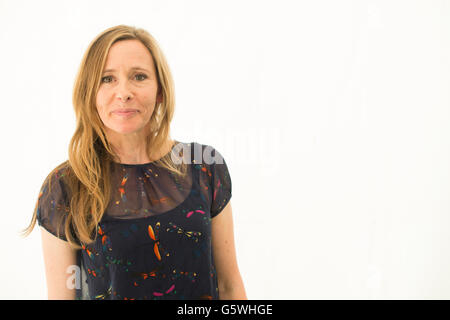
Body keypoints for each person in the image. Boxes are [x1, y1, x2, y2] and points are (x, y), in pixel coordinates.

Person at [22, 25, 247, 300]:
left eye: (139, 76)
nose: (124, 92)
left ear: (160, 90)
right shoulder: (66, 186)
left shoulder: (203, 167)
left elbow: (230, 286)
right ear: (89, 92)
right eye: (107, 79)